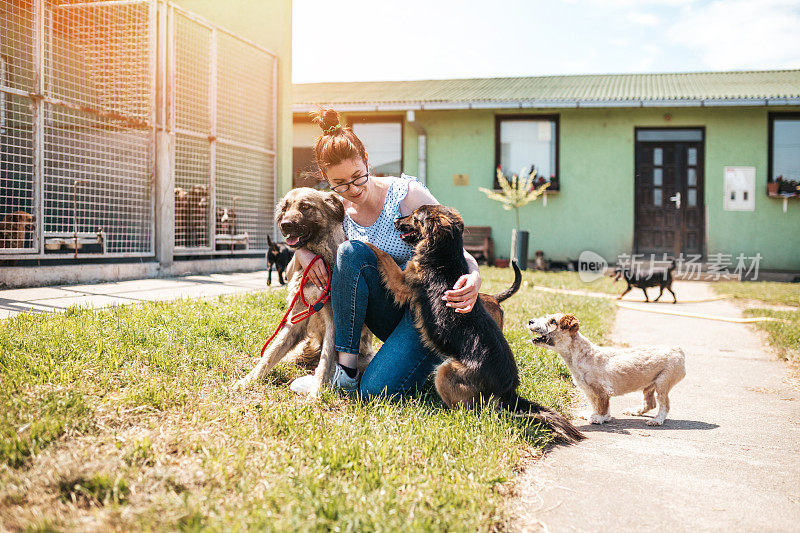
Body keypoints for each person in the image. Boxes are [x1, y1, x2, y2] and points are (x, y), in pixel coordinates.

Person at [290, 108, 482, 397]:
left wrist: (475, 276)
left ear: (367, 160)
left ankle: (436, 360)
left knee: (374, 392)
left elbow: (458, 250)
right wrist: (304, 254)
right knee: (350, 252)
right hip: (391, 311)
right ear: (326, 181)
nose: (352, 189)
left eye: (357, 177)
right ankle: (346, 371)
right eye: (339, 184)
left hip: (431, 316)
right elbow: (304, 234)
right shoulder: (340, 212)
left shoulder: (407, 196)